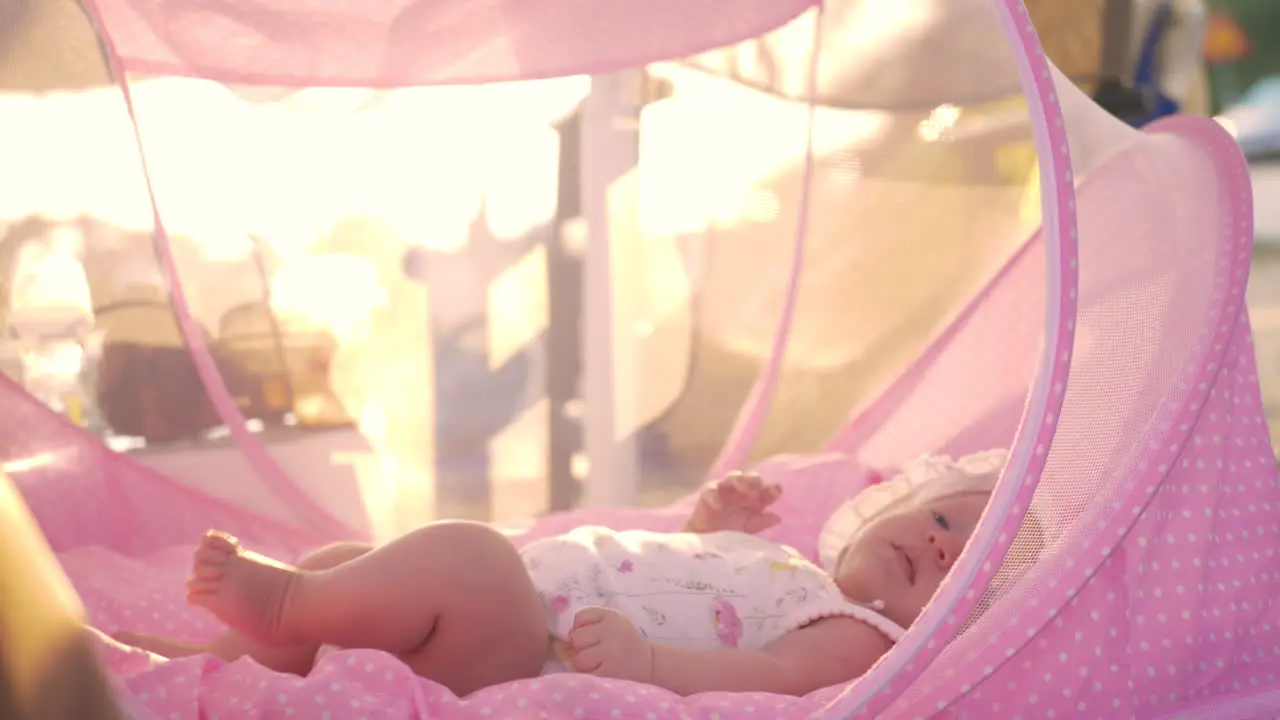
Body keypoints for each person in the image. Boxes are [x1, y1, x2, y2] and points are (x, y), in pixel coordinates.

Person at [112, 449, 1005, 697]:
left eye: (957, 558)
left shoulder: (861, 640)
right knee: (355, 565)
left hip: (531, 645)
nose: (934, 543)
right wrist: (714, 528)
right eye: (936, 518)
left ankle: (283, 603)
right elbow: (687, 578)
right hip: (523, 605)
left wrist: (651, 666)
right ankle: (215, 661)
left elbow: (766, 677)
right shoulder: (789, 565)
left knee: (467, 557)